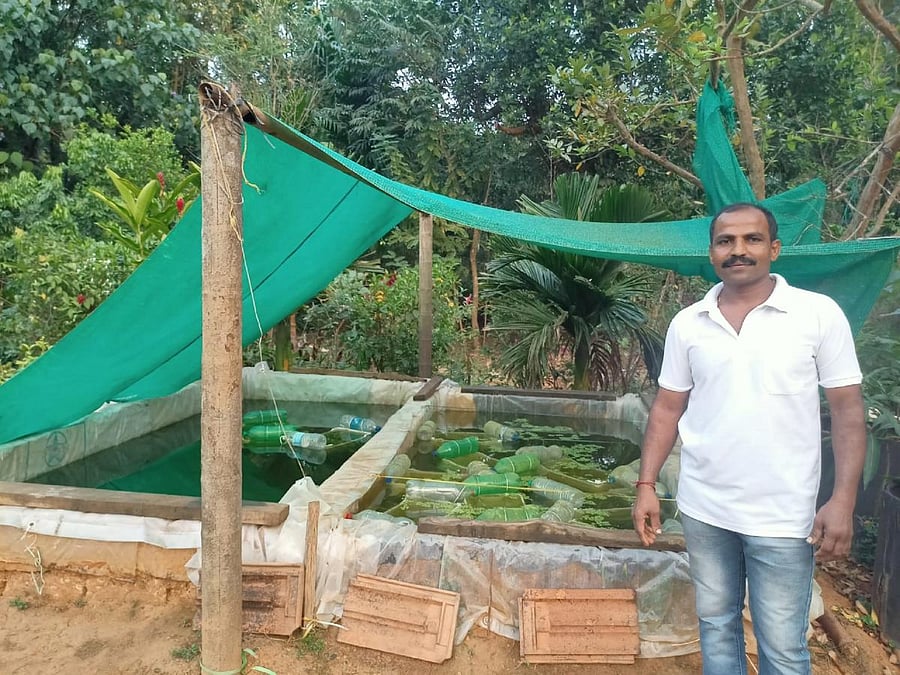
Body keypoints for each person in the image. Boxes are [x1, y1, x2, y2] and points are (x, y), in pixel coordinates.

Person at [632, 203, 867, 675]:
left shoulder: (817, 315)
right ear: (713, 252)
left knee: (782, 645)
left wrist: (842, 500)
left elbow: (846, 410)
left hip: (784, 516)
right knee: (716, 625)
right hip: (705, 510)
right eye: (726, 241)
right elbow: (667, 407)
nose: (738, 250)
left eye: (752, 240)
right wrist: (646, 485)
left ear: (774, 249)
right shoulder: (688, 322)